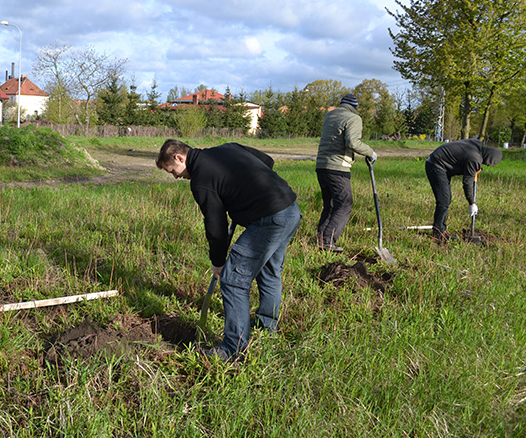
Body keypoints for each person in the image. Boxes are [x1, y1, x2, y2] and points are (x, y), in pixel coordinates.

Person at [156, 139, 301, 361]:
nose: (175, 177)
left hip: (270, 219)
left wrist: (218, 261)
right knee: (269, 271)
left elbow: (216, 225)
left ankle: (234, 349)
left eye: (172, 171)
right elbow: (266, 161)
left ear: (179, 158)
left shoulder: (201, 180)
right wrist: (246, 189)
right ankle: (267, 326)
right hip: (289, 209)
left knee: (233, 280)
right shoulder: (228, 147)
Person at [315, 93, 376, 252]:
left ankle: (321, 239)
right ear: (355, 107)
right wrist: (370, 152)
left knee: (330, 205)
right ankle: (328, 242)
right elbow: (352, 142)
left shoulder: (330, 116)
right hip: (338, 168)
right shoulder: (353, 118)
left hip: (321, 166)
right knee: (344, 204)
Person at [425, 138, 502, 241]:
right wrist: (472, 203)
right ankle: (438, 232)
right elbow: (467, 183)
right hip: (436, 165)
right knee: (444, 200)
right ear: (488, 159)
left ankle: (441, 228)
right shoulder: (474, 158)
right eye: (488, 163)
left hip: (441, 164)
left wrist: (475, 170)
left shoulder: (477, 146)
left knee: (446, 199)